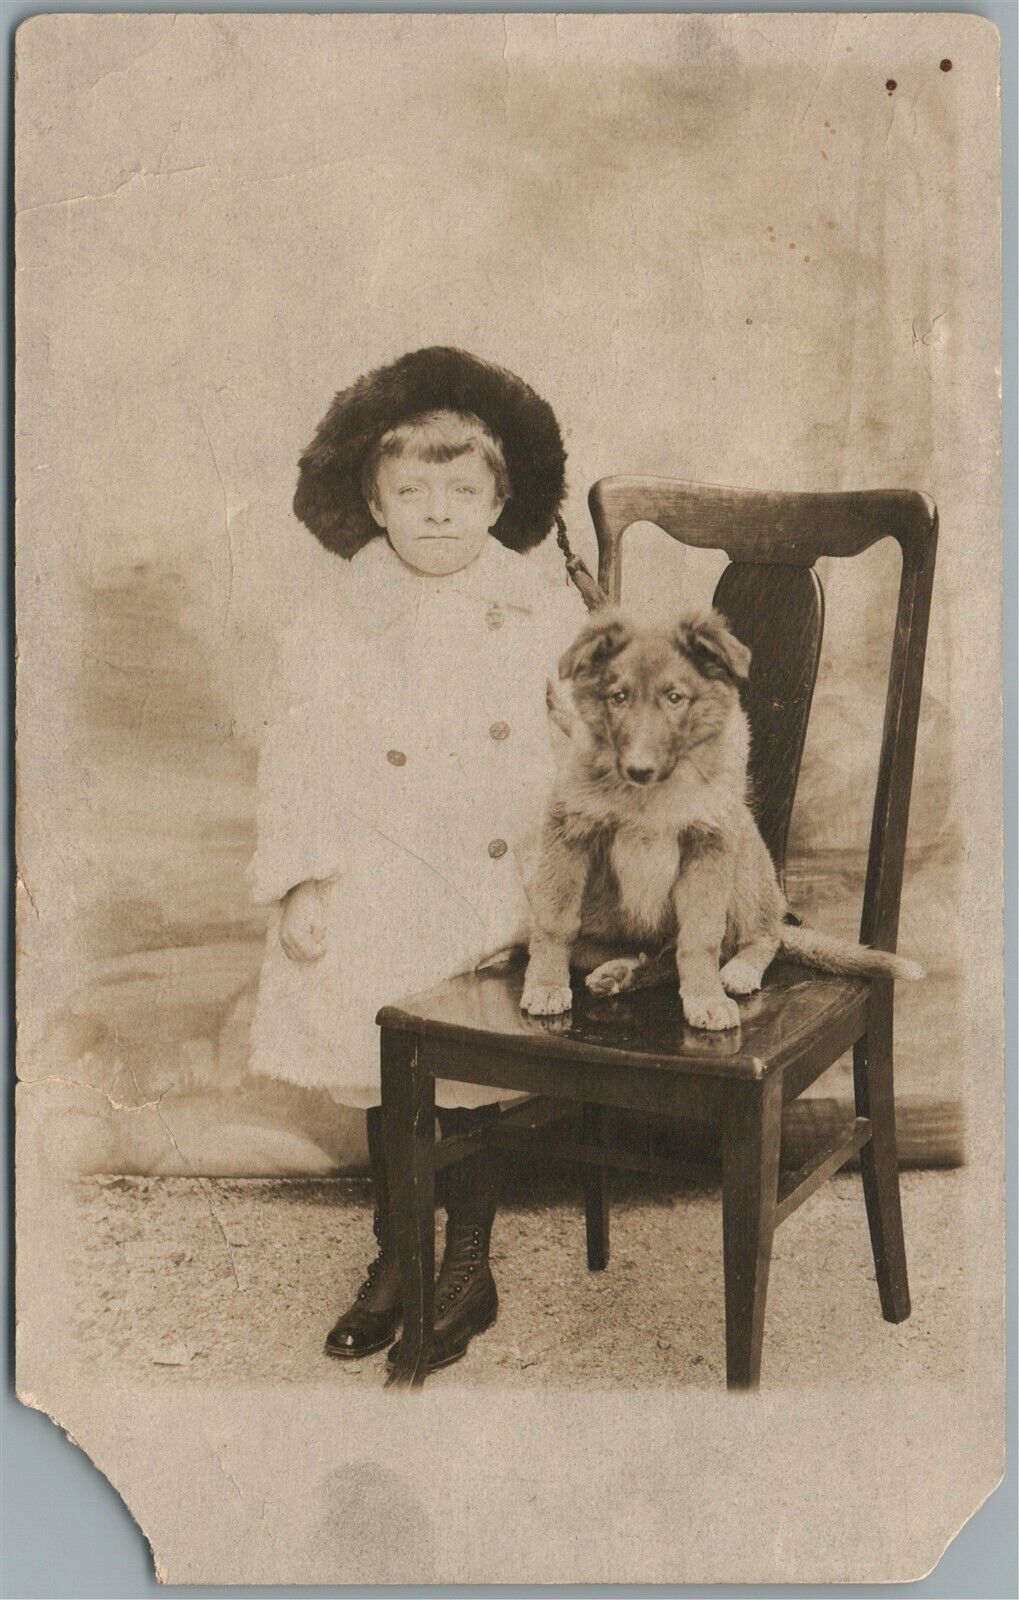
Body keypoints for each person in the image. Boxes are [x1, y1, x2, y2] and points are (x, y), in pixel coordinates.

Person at [248, 347, 590, 1372]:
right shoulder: (335, 612)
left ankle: (467, 1262)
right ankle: (398, 1253)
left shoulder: (541, 603)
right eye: (411, 492)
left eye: (460, 491)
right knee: (379, 1052)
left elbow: (587, 724)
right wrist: (302, 877)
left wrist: (586, 839)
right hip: (376, 869)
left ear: (497, 500)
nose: (436, 512)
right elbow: (296, 745)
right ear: (373, 500)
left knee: (470, 1065)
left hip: (493, 872)